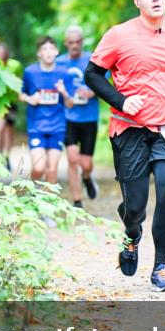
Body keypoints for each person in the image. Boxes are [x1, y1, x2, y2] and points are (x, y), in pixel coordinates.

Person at [84, 0, 165, 292]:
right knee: (135, 206)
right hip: (129, 128)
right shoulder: (119, 35)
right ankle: (132, 234)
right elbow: (92, 75)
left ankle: (161, 268)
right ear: (138, 2)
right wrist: (121, 100)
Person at [57, 25, 101, 208]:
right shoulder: (58, 63)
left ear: (82, 42)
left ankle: (88, 177)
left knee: (86, 163)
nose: (74, 45)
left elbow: (103, 83)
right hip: (68, 118)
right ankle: (77, 201)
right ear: (66, 43)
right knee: (73, 159)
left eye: (77, 42)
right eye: (71, 42)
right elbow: (51, 86)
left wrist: (92, 92)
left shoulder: (92, 60)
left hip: (89, 118)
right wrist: (63, 96)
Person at [20, 36, 73, 185]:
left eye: (51, 49)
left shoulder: (64, 73)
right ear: (39, 53)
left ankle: (50, 206)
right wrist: (30, 99)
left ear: (56, 51)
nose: (48, 52)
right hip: (36, 126)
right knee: (38, 168)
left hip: (57, 127)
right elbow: (20, 94)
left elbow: (70, 104)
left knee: (52, 170)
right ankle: (32, 194)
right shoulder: (30, 72)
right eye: (44, 49)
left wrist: (64, 93)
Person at [0, 43, 22, 172]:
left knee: (9, 130)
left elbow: (19, 81)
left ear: (7, 54)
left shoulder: (15, 65)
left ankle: (7, 156)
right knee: (0, 128)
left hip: (12, 102)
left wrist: (19, 94)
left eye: (3, 53)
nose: (1, 55)